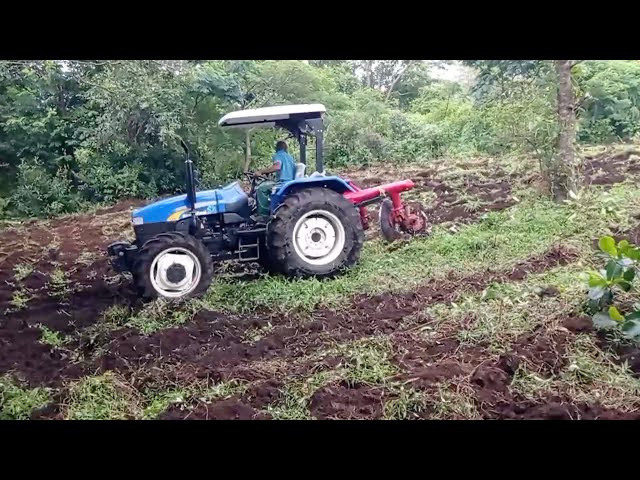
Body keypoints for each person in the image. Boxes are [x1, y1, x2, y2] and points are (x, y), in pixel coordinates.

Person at [254, 140, 296, 216]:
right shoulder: (290, 157)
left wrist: (261, 172)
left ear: (277, 148)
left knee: (261, 189)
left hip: (282, 183)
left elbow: (277, 167)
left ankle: (262, 214)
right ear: (286, 148)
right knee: (266, 185)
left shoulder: (278, 155)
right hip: (290, 182)